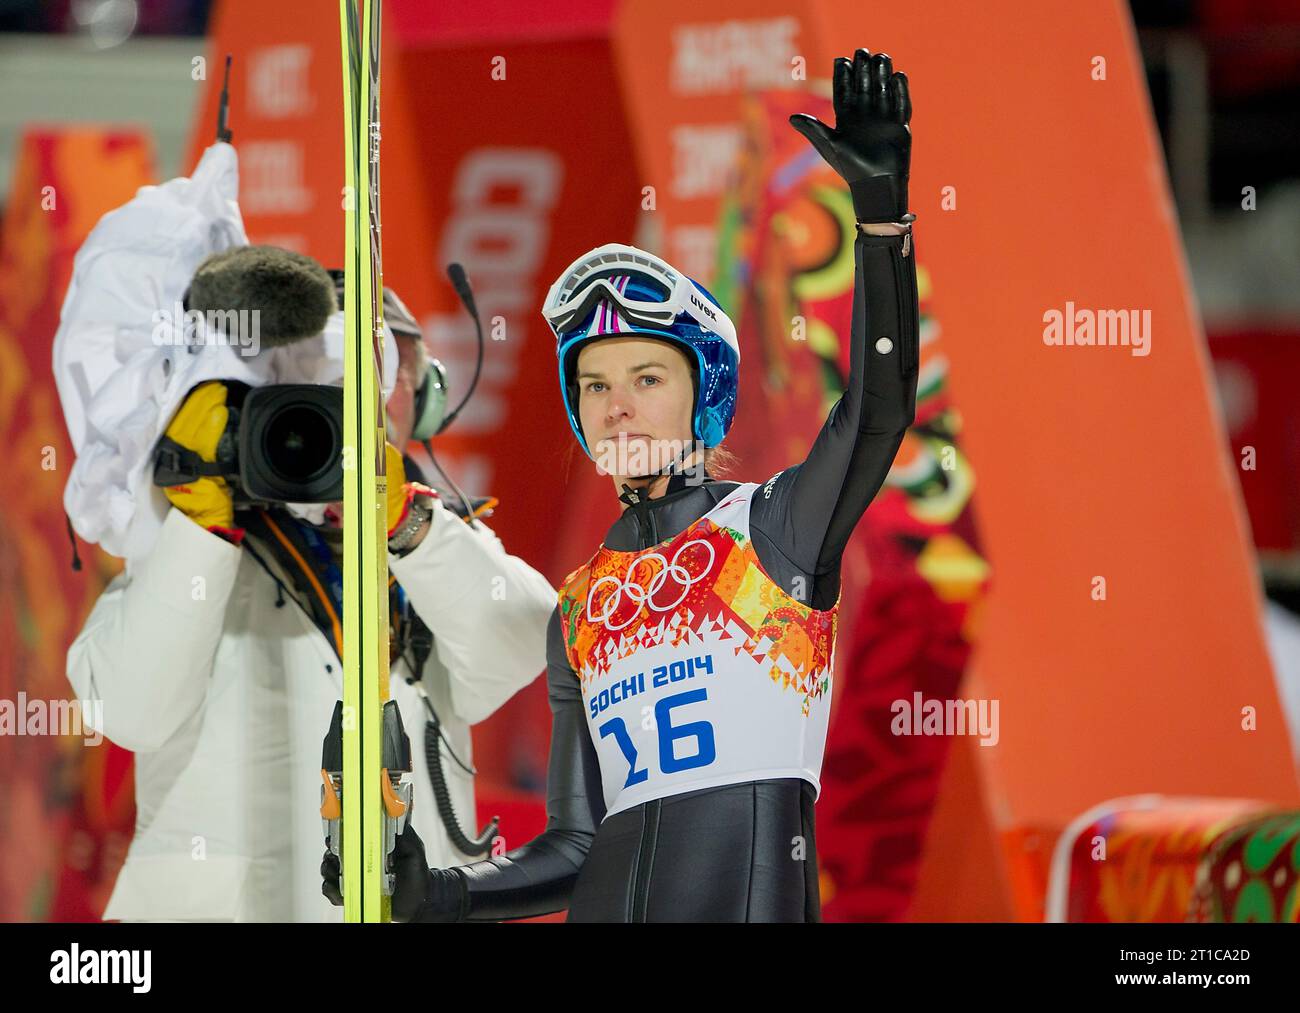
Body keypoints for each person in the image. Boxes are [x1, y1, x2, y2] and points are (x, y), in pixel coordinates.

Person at [324, 47, 919, 922]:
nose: (617, 408)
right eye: (595, 386)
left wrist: (880, 224)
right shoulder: (580, 607)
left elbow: (877, 409)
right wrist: (440, 895)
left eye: (647, 378)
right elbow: (576, 845)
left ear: (703, 396)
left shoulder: (773, 530)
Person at [64, 245, 557, 921]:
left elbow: (522, 643)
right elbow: (129, 711)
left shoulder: (433, 534)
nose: (338, 409)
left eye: (381, 378)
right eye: (305, 388)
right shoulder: (184, 534)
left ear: (424, 396)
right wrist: (203, 526)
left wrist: (404, 521)